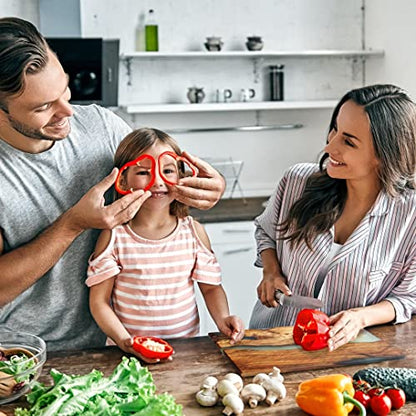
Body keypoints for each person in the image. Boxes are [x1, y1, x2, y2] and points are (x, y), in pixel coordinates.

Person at [0, 17, 225, 351]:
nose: (67, 112)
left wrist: (209, 186)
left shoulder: (102, 126)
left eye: (64, 88)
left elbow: (155, 174)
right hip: (29, 353)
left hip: (114, 346)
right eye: (44, 107)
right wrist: (72, 225)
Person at [249, 84, 416, 351]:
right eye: (334, 130)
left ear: (385, 156)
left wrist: (360, 317)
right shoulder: (296, 181)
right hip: (273, 339)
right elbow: (266, 232)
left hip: (348, 349)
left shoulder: (410, 216)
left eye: (348, 141)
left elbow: (407, 298)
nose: (329, 146)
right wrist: (271, 271)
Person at [86, 128, 244, 362]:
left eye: (168, 170)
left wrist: (223, 318)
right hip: (128, 355)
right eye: (143, 172)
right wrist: (125, 342)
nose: (158, 181)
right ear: (122, 180)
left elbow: (210, 288)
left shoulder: (193, 232)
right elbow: (99, 302)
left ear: (180, 177)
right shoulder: (114, 236)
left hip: (185, 352)